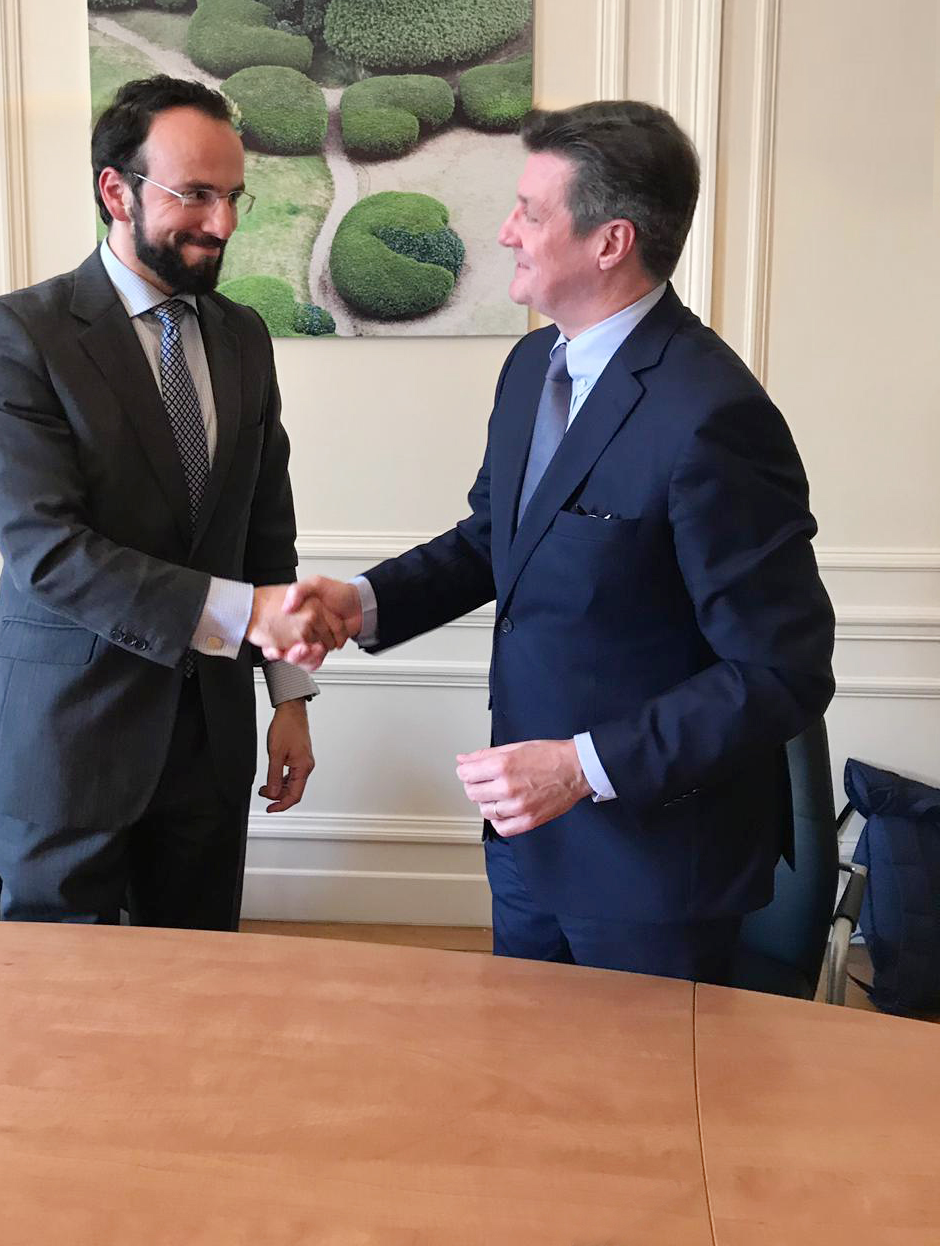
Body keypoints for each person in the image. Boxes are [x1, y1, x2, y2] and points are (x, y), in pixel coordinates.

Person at [279, 100, 835, 983]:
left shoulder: (713, 414)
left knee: (635, 1080)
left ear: (611, 241)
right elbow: (495, 540)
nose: (504, 232)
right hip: (526, 842)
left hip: (655, 872)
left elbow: (781, 671)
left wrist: (581, 769)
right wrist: (364, 602)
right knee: (528, 1068)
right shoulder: (531, 367)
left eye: (529, 213)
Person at [0, 76, 343, 927]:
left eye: (234, 196)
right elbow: (49, 552)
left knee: (199, 991)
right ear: (115, 191)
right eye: (196, 195)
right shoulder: (17, 336)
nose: (224, 223)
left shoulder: (243, 336)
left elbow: (264, 528)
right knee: (63, 996)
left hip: (209, 746)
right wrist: (243, 616)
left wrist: (288, 695)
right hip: (68, 748)